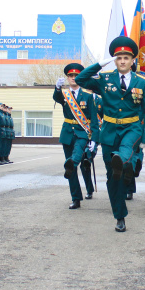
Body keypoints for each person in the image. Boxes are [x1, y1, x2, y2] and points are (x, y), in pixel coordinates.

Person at [75, 37, 145, 232]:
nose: (123, 61)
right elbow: (80, 79)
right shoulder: (105, 79)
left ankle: (124, 161)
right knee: (112, 178)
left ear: (132, 60)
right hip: (109, 131)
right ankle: (119, 215)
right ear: (115, 60)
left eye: (126, 57)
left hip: (132, 128)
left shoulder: (142, 82)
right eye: (119, 58)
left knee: (126, 149)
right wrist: (100, 64)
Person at [54, 63, 101, 209]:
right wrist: (57, 88)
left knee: (77, 160)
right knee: (71, 168)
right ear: (67, 78)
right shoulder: (64, 95)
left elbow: (94, 119)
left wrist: (94, 140)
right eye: (70, 76)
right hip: (68, 133)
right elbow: (57, 98)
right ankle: (76, 198)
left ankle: (86, 184)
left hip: (83, 133)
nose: (73, 78)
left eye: (76, 76)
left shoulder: (88, 96)